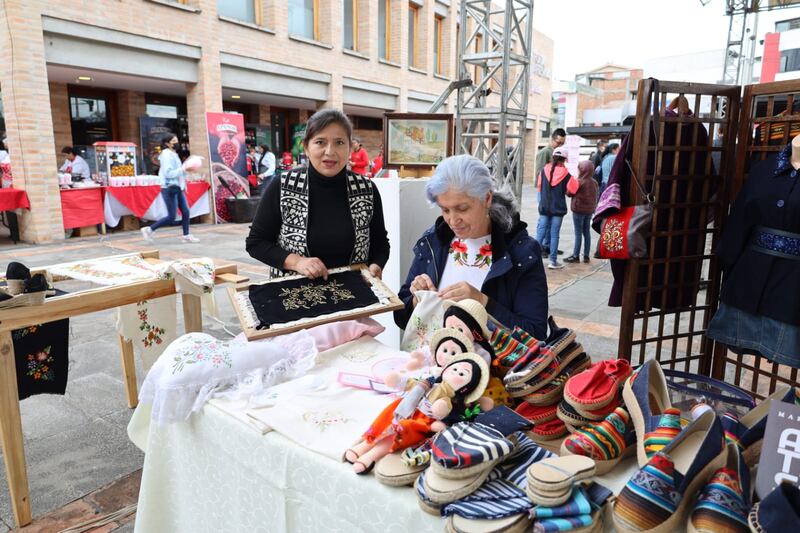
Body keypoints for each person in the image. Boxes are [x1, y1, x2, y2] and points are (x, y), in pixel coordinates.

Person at [395, 154, 548, 340]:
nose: (452, 220)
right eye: (445, 209)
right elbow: (401, 317)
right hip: (431, 363)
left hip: (494, 367)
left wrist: (482, 302)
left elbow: (535, 334)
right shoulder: (434, 241)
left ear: (487, 198)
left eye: (462, 208)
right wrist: (415, 300)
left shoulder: (521, 253)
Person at [246, 109, 390, 280]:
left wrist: (376, 264)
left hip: (354, 294)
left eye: (339, 142)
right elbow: (256, 243)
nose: (330, 151)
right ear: (306, 147)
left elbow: (380, 243)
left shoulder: (366, 189)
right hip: (293, 296)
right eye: (320, 142)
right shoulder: (283, 186)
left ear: (350, 148)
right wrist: (297, 262)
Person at [141, 135, 200, 244]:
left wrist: (185, 171)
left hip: (177, 187)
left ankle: (186, 235)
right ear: (168, 143)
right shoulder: (167, 155)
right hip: (169, 188)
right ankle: (149, 229)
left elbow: (178, 171)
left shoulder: (173, 154)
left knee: (186, 211)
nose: (176, 143)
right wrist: (184, 169)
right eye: (174, 141)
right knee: (171, 216)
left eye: (177, 140)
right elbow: (169, 173)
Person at [536, 147, 578, 270]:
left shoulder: (544, 170)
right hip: (557, 209)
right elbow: (573, 189)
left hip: (544, 207)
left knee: (540, 233)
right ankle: (552, 261)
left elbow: (539, 187)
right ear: (564, 159)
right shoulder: (566, 174)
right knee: (554, 235)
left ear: (553, 157)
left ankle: (533, 260)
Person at [534, 128, 566, 256]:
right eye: (558, 142)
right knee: (543, 221)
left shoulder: (556, 152)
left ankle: (548, 246)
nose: (560, 145)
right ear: (552, 139)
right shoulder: (545, 152)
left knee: (550, 220)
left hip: (553, 192)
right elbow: (539, 173)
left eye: (562, 143)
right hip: (545, 192)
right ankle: (539, 247)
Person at [564, 160, 599, 264]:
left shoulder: (579, 181)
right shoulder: (594, 182)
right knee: (587, 233)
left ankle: (575, 256)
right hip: (589, 211)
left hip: (578, 210)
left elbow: (569, 193)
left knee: (578, 233)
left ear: (582, 170)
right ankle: (586, 256)